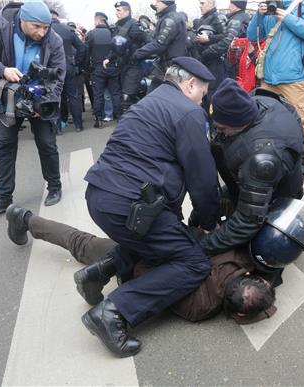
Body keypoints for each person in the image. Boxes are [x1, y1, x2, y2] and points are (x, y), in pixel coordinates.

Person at [78, 57, 219, 357]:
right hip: (131, 205)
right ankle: (114, 312)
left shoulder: (149, 101)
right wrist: (208, 221)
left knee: (157, 241)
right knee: (193, 262)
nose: (203, 100)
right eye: (203, 93)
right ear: (190, 84)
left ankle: (98, 272)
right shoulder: (188, 114)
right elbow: (203, 180)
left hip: (100, 196)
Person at [4, 207, 278, 324]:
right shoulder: (201, 307)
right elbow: (153, 289)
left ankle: (24, 218)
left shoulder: (239, 256)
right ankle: (26, 219)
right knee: (82, 244)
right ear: (240, 315)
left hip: (157, 236)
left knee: (83, 242)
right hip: (136, 261)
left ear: (253, 276)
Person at [0, 0, 66, 211]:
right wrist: (1, 69)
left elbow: (58, 76)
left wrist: (43, 101)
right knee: (4, 146)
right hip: (6, 97)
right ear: (23, 20)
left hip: (39, 98)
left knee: (47, 143)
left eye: (46, 27)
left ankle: (54, 186)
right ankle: (3, 196)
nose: (42, 33)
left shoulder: (54, 39)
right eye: (37, 27)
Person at [196, 78, 304, 258]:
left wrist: (202, 245)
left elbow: (247, 222)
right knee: (212, 202)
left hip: (276, 198)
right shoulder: (260, 102)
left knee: (262, 246)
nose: (219, 132)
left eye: (222, 128)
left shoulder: (262, 159)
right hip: (261, 178)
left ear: (238, 122)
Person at [247, 0, 304, 181]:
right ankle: (272, 152)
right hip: (268, 76)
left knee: (300, 120)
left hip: (293, 78)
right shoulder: (268, 8)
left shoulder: (301, 6)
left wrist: (288, 18)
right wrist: (259, 14)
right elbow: (251, 35)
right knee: (265, 118)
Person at [133, 1, 187, 92]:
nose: (155, 3)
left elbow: (159, 44)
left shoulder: (171, 19)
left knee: (162, 97)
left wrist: (136, 54)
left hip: (171, 67)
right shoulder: (167, 17)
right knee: (154, 96)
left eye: (158, 1)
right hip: (165, 66)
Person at [51, 10, 86, 132]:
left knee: (55, 97)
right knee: (73, 96)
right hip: (68, 66)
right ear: (57, 17)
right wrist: (76, 62)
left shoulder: (45, 30)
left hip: (52, 69)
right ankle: (78, 125)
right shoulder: (67, 30)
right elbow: (82, 47)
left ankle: (57, 128)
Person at [86, 11, 121, 128]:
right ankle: (119, 118)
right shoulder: (112, 33)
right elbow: (118, 50)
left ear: (97, 20)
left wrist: (87, 69)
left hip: (98, 69)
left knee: (98, 95)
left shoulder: (91, 34)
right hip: (112, 68)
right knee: (115, 93)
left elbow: (87, 53)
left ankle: (99, 120)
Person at [111, 1, 147, 113]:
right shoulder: (117, 26)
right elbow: (115, 46)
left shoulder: (134, 26)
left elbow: (149, 42)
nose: (116, 13)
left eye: (119, 10)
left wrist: (137, 54)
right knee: (126, 95)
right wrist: (109, 58)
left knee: (127, 97)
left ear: (127, 11)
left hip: (134, 66)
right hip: (122, 66)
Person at [191, 0, 227, 101]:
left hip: (215, 64)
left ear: (211, 3)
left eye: (202, 3)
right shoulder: (202, 19)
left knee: (212, 96)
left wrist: (209, 38)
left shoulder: (218, 17)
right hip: (202, 61)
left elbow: (227, 37)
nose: (200, 6)